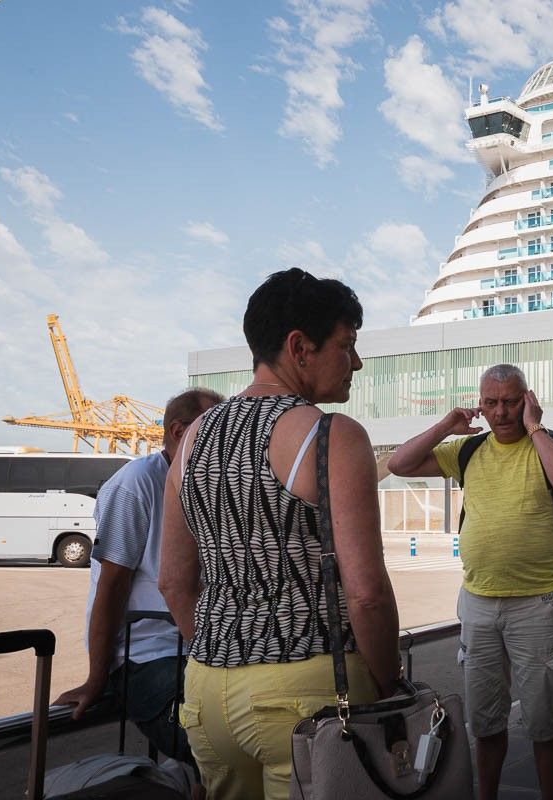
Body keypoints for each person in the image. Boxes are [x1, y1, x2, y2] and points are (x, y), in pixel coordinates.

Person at [158, 268, 401, 800]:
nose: (355, 362)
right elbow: (366, 593)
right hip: (307, 694)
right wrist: (389, 684)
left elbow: (174, 581)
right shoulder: (331, 435)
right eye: (346, 345)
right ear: (300, 347)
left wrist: (222, 656)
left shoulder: (195, 434)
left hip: (206, 694)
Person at [386, 363, 553, 800]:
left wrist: (535, 427)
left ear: (527, 399)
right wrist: (446, 425)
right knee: (487, 719)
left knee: (543, 722)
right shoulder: (468, 450)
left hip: (536, 603)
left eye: (511, 401)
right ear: (480, 404)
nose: (500, 412)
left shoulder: (551, 443)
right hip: (478, 602)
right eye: (491, 403)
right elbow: (399, 463)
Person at [55, 387, 223, 763]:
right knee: (209, 746)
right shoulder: (137, 484)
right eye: (211, 430)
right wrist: (97, 678)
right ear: (180, 432)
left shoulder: (206, 485)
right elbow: (112, 585)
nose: (221, 442)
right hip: (148, 655)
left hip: (200, 649)